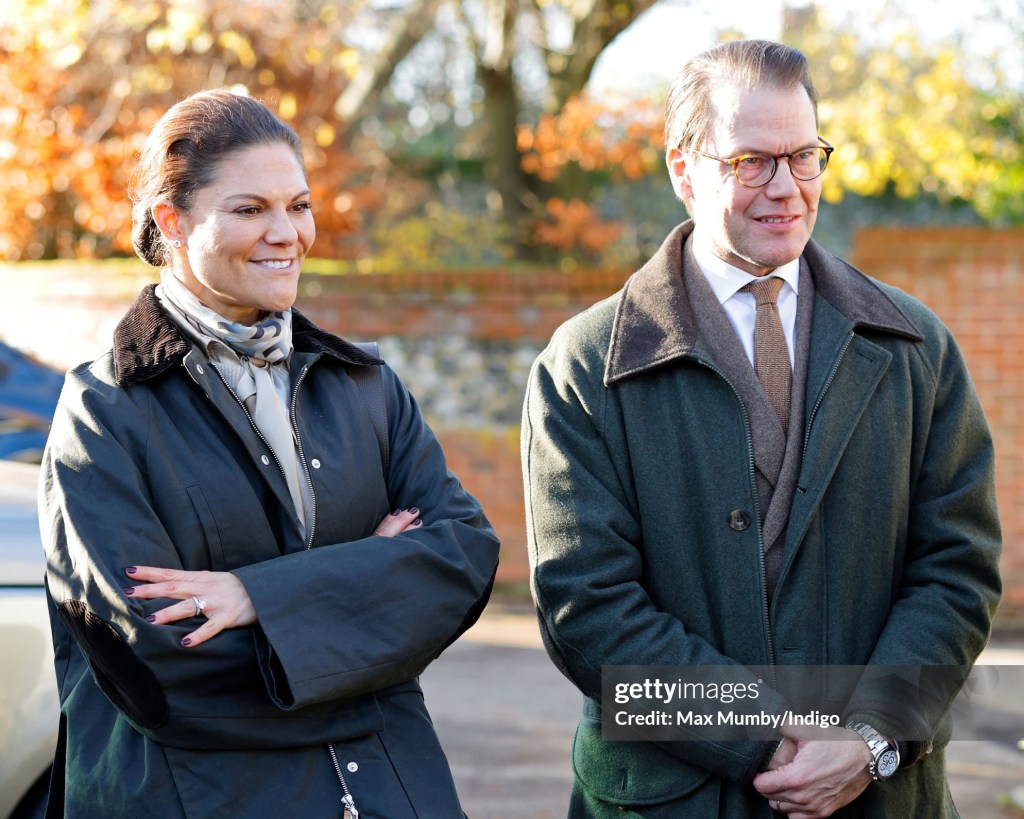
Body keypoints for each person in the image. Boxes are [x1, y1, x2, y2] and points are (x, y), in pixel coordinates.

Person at [522, 39, 1001, 818]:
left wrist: (869, 736)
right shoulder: (582, 366)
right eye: (751, 161)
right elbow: (587, 611)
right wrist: (764, 736)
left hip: (881, 798)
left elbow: (958, 571)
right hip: (669, 801)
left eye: (803, 156)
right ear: (683, 169)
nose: (785, 188)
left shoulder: (918, 347)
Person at [40, 88, 500, 818]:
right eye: (250, 209)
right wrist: (370, 609)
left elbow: (464, 558)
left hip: (390, 791)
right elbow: (157, 667)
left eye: (300, 204)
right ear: (173, 220)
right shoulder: (106, 409)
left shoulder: (366, 385)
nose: (286, 232)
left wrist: (260, 596)